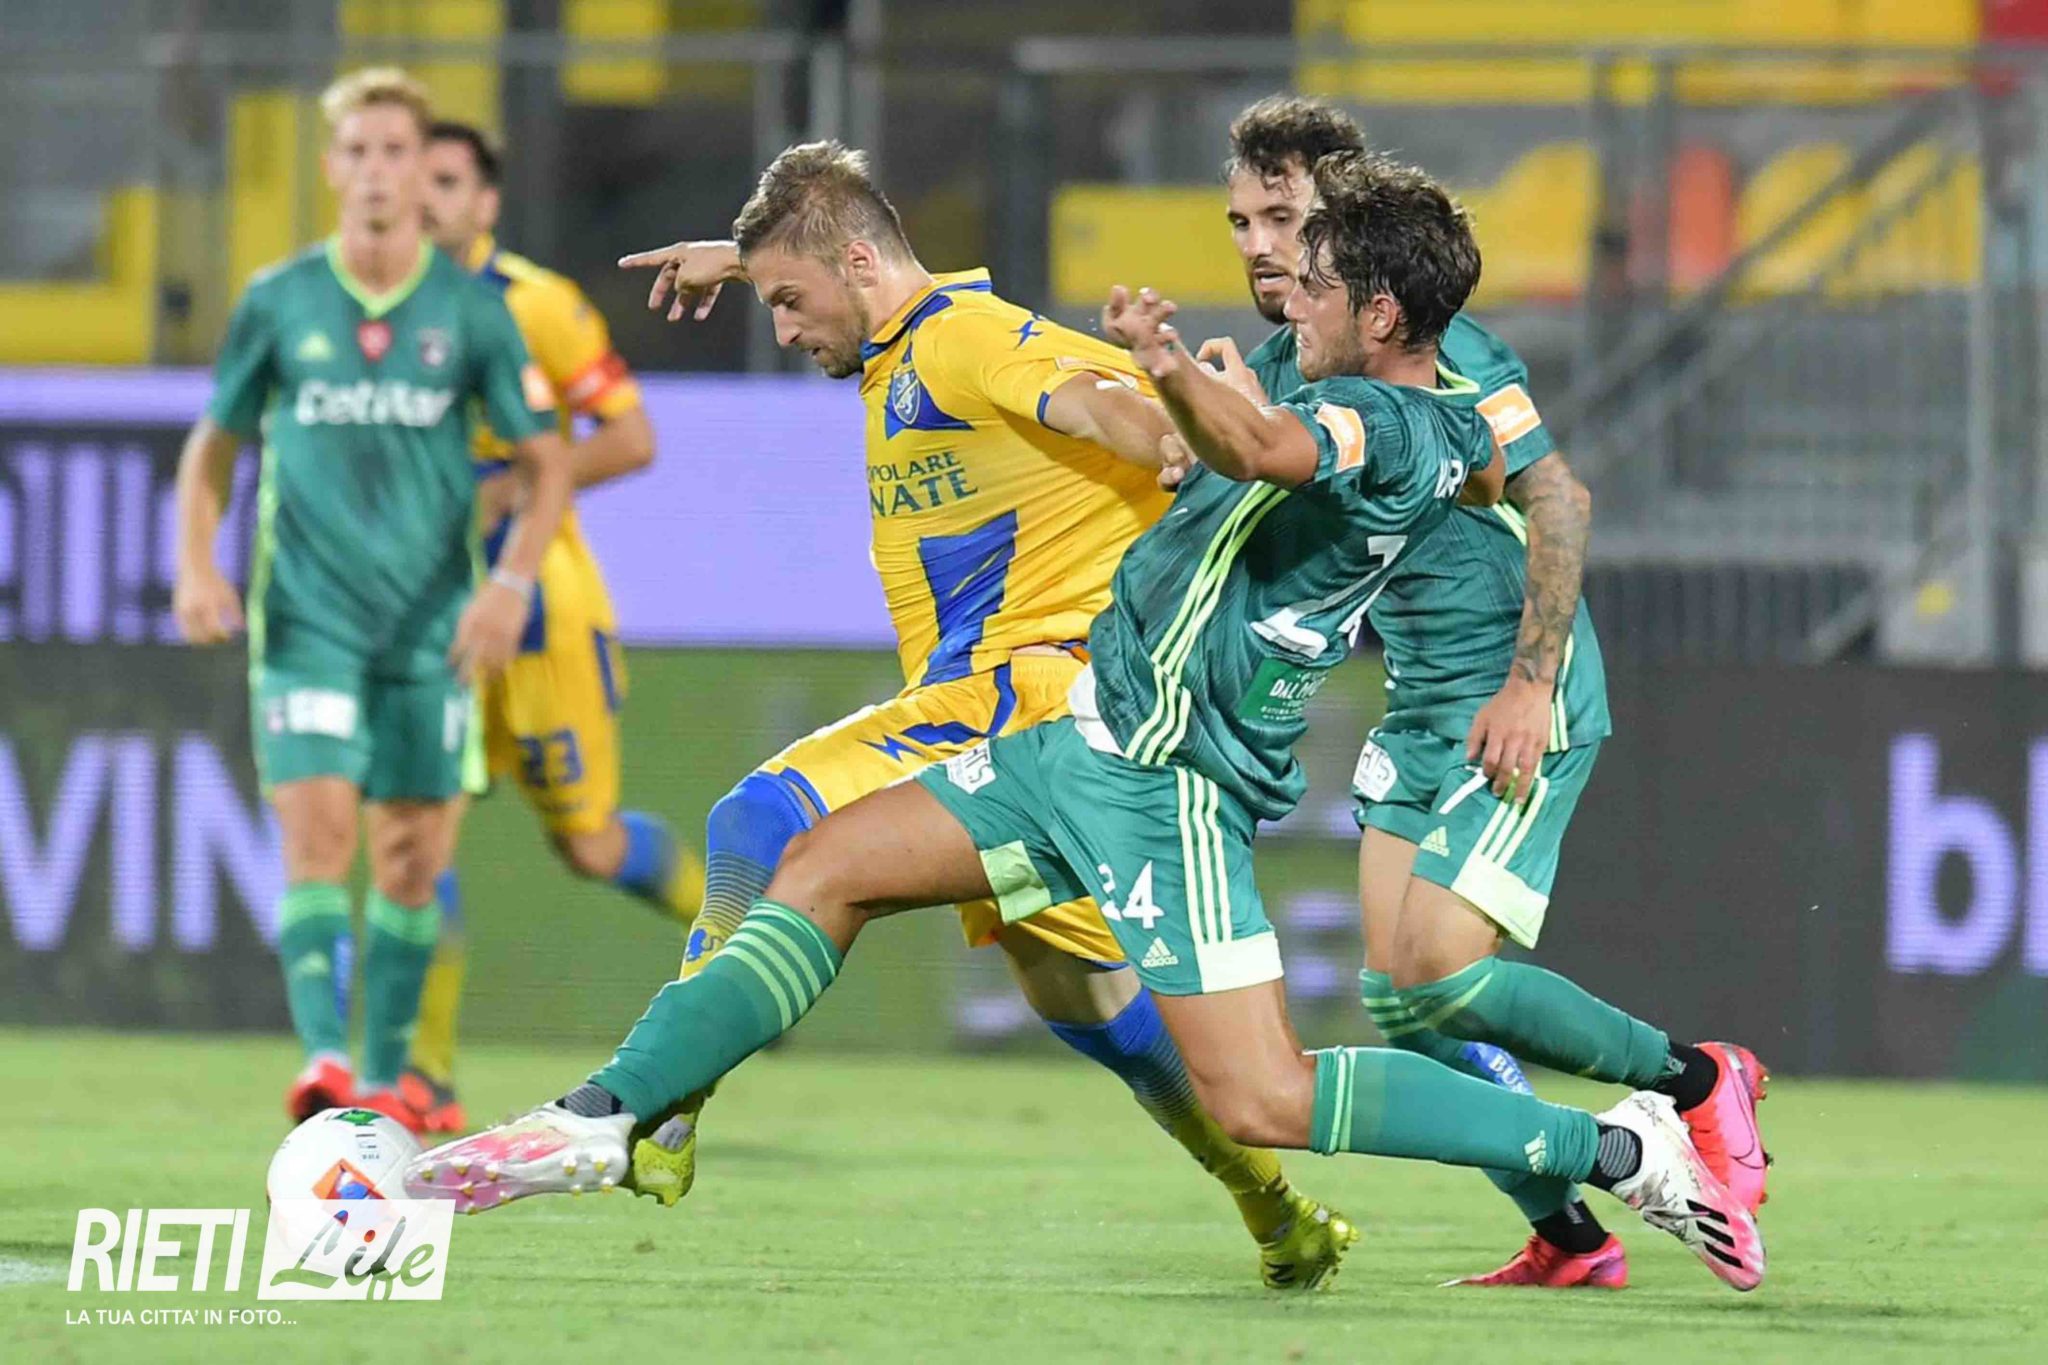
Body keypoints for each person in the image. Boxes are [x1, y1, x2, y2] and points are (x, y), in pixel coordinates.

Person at [407, 150, 1765, 1296]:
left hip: (1171, 781)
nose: (1282, 285)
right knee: (816, 867)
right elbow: (1256, 432)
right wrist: (772, 255)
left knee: (1265, 1096)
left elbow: (1268, 452)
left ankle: (1616, 1153)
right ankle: (606, 1115)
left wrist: (1165, 371)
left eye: (1313, 280)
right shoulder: (1326, 378)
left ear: (1384, 311)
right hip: (1077, 736)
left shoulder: (1390, 426)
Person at [488, 140, 1358, 1290]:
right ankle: (1277, 1213)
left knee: (760, 818)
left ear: (857, 264)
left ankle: (661, 1102)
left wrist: (1164, 438)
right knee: (1098, 1012)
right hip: (1042, 720)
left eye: (789, 301)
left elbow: (1096, 399)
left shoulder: (963, 340)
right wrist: (743, 262)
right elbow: (850, 260)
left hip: (1023, 690)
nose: (783, 329)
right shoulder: (903, 334)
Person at [1212, 96, 1771, 1289]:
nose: (1260, 246)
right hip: (1419, 697)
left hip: (1510, 690)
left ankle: (1695, 1077)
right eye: (1241, 221)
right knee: (1400, 1000)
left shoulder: (1445, 350)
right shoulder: (1283, 359)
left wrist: (1529, 684)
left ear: (1345, 223)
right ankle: (1567, 1238)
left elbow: (1558, 498)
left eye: (1282, 217)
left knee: (1442, 970)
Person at [171, 68, 572, 1126]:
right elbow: (213, 445)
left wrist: (509, 585)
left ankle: (386, 1078)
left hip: (430, 629)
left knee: (410, 858)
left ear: (422, 170)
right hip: (308, 621)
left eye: (398, 152)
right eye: (359, 152)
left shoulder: (471, 314)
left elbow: (546, 464)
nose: (379, 173)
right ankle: (321, 1064)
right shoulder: (279, 300)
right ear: (331, 168)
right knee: (316, 839)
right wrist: (196, 563)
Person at [388, 118, 705, 1135]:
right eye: (410, 175)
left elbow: (632, 437)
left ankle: (737, 951)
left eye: (445, 180)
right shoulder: (367, 313)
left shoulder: (538, 306)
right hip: (427, 619)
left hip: (540, 618)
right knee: (416, 837)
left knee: (591, 846)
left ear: (485, 203)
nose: (422, 195)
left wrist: (508, 487)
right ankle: (424, 1080)